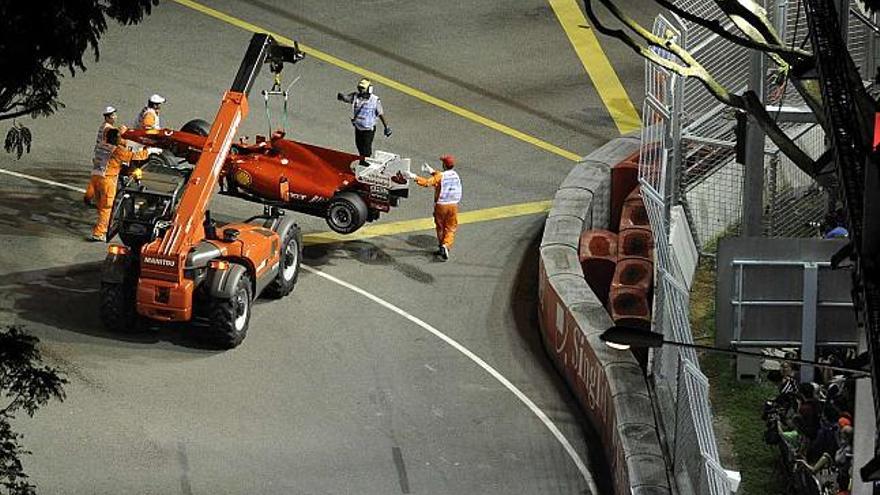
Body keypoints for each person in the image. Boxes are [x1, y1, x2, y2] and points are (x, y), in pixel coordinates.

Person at [87, 128, 148, 242]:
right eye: (119, 138)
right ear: (114, 138)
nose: (120, 140)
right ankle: (99, 233)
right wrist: (148, 151)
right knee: (107, 207)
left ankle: (102, 224)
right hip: (107, 180)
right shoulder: (117, 150)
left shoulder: (101, 146)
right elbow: (134, 156)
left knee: (100, 206)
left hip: (95, 177)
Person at [407, 155, 462, 261]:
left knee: (440, 227)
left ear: (444, 165)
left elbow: (428, 183)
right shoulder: (455, 175)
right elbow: (440, 176)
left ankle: (442, 245)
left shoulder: (441, 176)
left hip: (441, 206)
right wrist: (431, 171)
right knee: (450, 228)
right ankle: (445, 246)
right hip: (453, 205)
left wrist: (413, 177)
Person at [337, 79, 391, 164]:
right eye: (360, 88)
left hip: (368, 130)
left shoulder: (375, 100)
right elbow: (347, 98)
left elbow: (380, 113)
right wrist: (342, 97)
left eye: (363, 88)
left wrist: (386, 127)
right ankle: (363, 161)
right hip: (358, 128)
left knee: (366, 149)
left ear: (369, 89)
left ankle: (365, 164)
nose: (360, 90)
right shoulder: (356, 96)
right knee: (359, 146)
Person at [85, 106, 127, 206]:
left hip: (99, 154)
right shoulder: (108, 129)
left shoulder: (103, 126)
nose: (115, 117)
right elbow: (115, 141)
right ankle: (99, 199)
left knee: (96, 176)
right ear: (108, 117)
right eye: (113, 115)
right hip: (105, 156)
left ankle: (89, 196)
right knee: (103, 178)